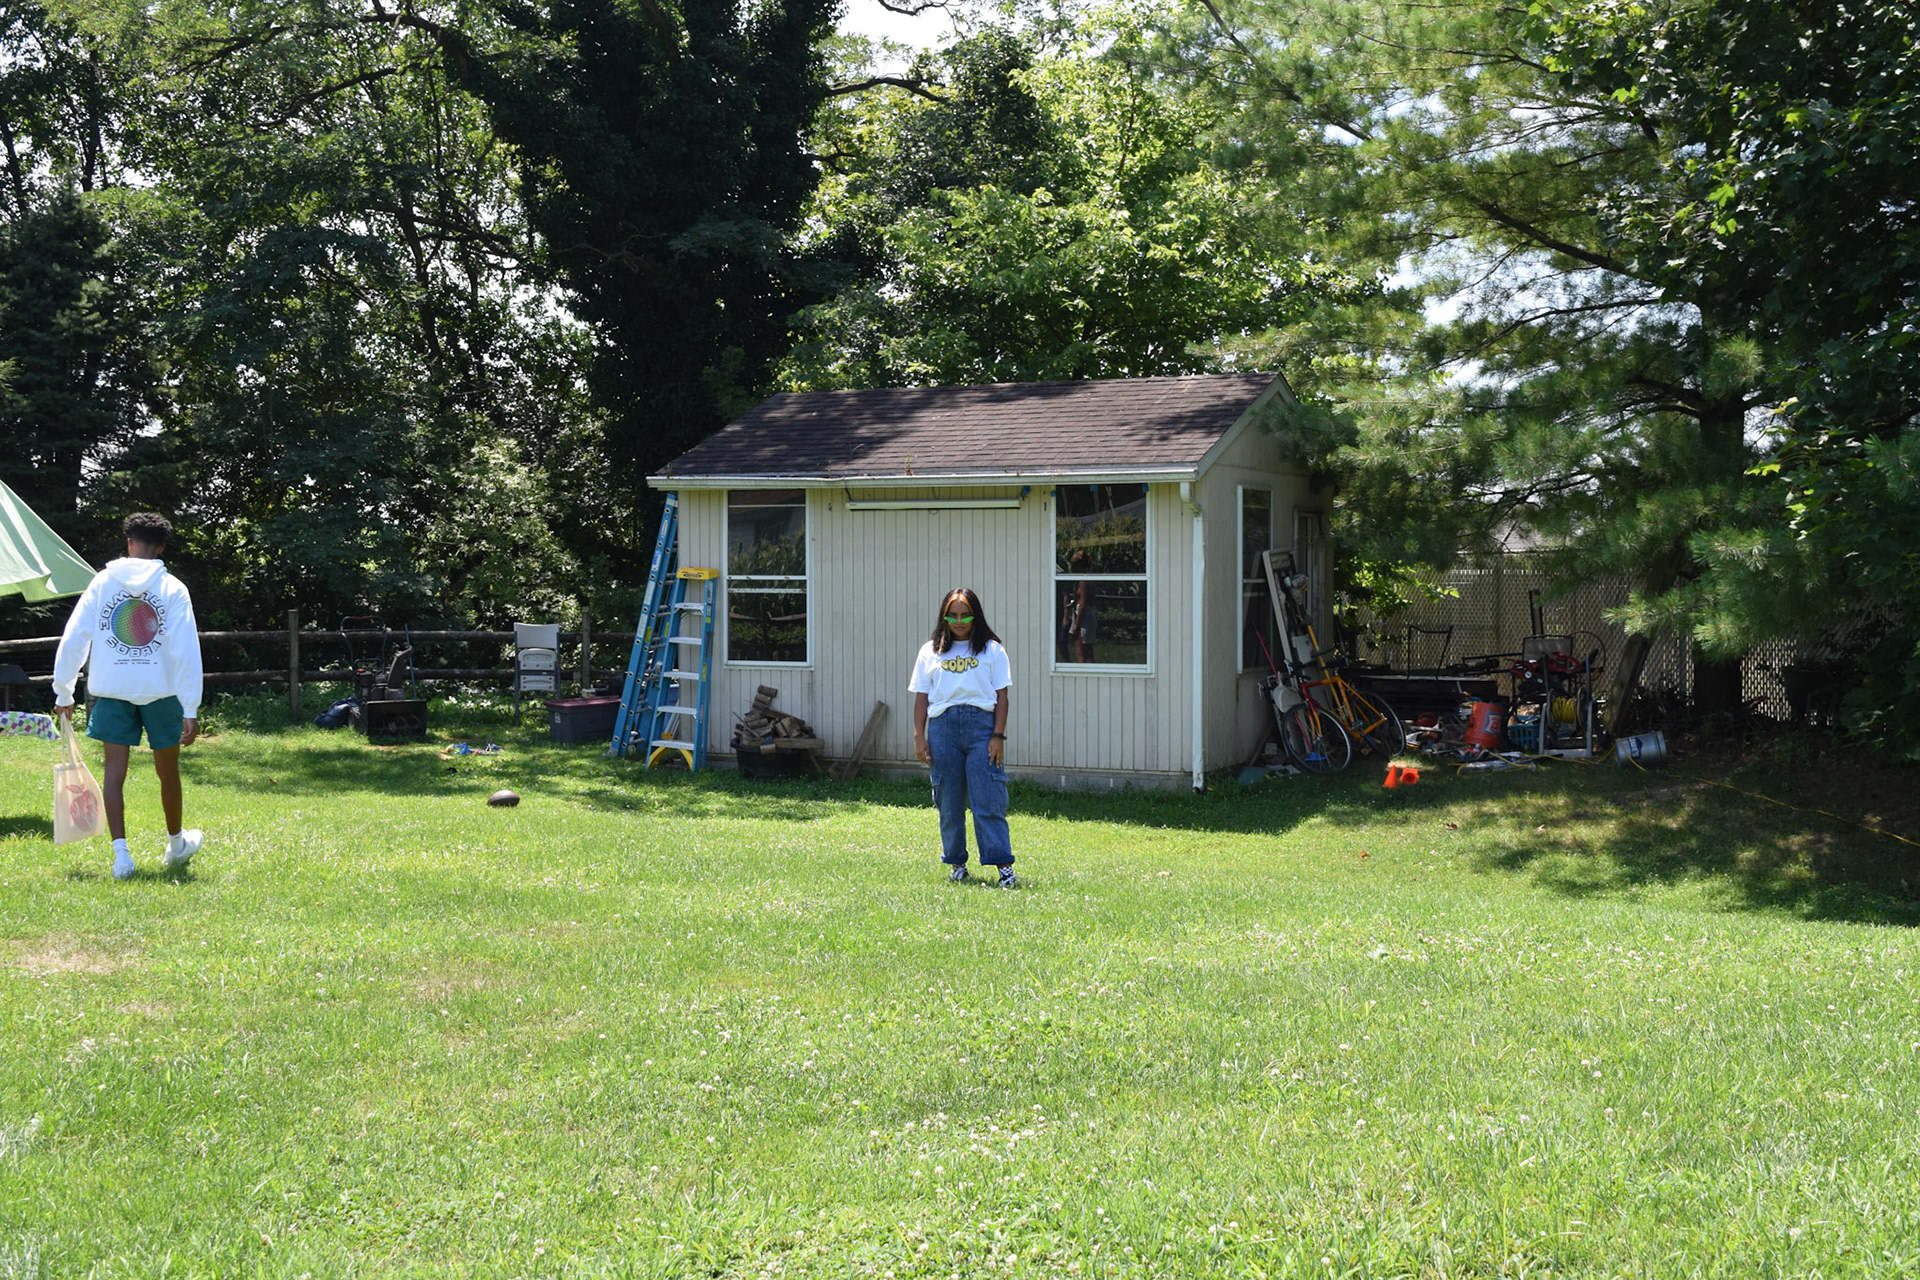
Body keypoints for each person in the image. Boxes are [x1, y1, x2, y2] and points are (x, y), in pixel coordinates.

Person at [51, 513, 204, 880]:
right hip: (161, 691)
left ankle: (122, 858)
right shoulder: (173, 588)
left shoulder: (102, 583)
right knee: (167, 772)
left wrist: (64, 690)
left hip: (113, 690)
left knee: (114, 773)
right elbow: (185, 649)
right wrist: (190, 705)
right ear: (161, 547)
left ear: (129, 543)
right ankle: (176, 844)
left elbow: (75, 638)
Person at [910, 587, 1015, 888]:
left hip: (982, 729)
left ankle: (1004, 868)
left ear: (975, 616)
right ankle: (957, 863)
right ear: (944, 617)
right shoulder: (930, 651)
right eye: (953, 615)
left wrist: (997, 735)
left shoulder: (992, 650)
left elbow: (1002, 697)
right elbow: (921, 698)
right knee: (948, 802)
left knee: (988, 798)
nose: (959, 621)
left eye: (965, 615)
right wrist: (919, 737)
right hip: (942, 730)